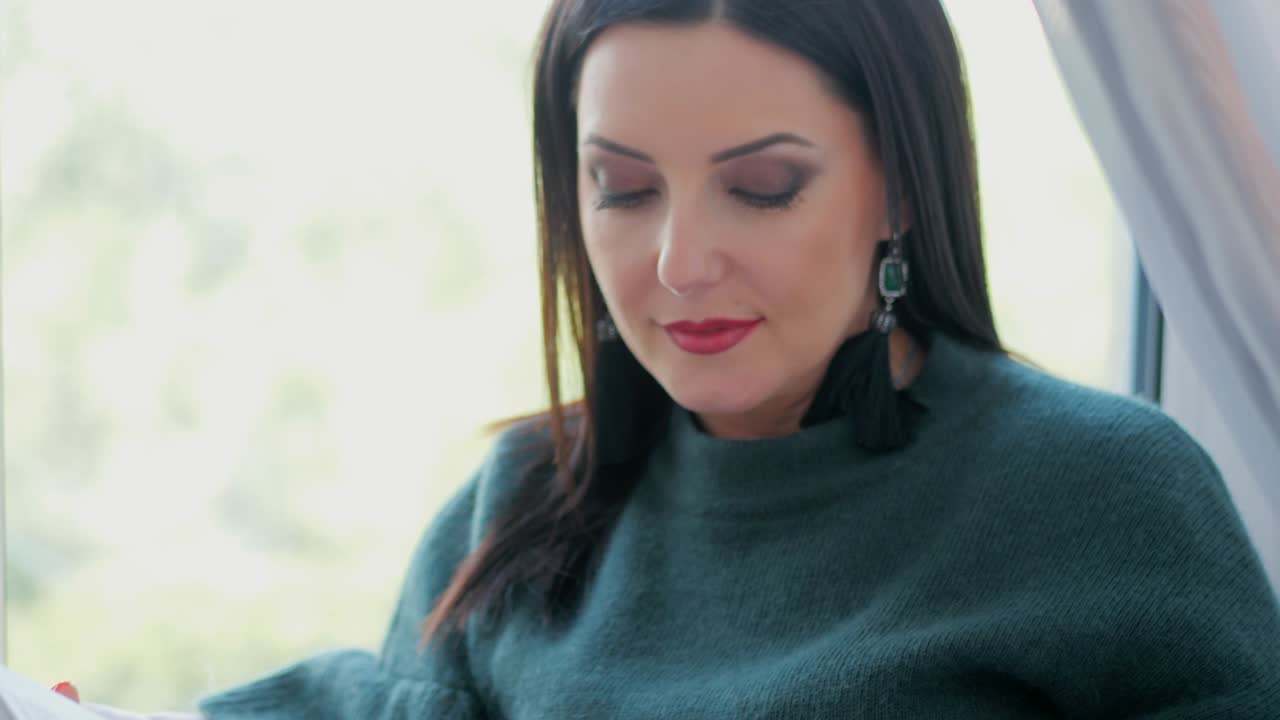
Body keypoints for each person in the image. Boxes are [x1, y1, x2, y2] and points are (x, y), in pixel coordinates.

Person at [23, 0, 1280, 717]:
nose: (678, 262)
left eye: (763, 188)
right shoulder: (517, 503)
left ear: (896, 186)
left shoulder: (1103, 496)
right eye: (622, 190)